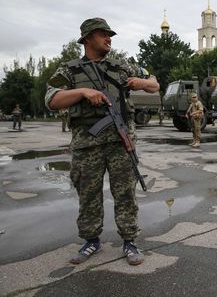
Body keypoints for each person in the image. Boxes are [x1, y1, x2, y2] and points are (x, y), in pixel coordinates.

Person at [45, 17, 160, 266]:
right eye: (103, 34)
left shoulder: (122, 66)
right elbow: (52, 99)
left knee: (125, 194)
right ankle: (91, 241)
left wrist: (142, 83)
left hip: (121, 143)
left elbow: (154, 84)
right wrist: (83, 92)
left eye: (110, 34)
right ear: (87, 38)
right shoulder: (70, 70)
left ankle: (130, 241)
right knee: (88, 195)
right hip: (87, 145)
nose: (109, 38)